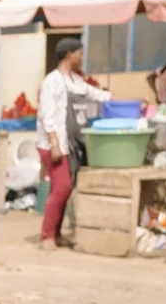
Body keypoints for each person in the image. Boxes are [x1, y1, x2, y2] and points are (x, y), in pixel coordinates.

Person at [36, 37, 111, 252]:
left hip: (68, 143)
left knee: (61, 189)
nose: (82, 57)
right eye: (79, 53)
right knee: (63, 187)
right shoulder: (52, 81)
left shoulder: (76, 81)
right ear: (69, 55)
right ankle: (47, 235)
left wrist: (128, 100)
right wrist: (54, 144)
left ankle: (56, 234)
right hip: (53, 143)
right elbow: (46, 115)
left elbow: (97, 95)